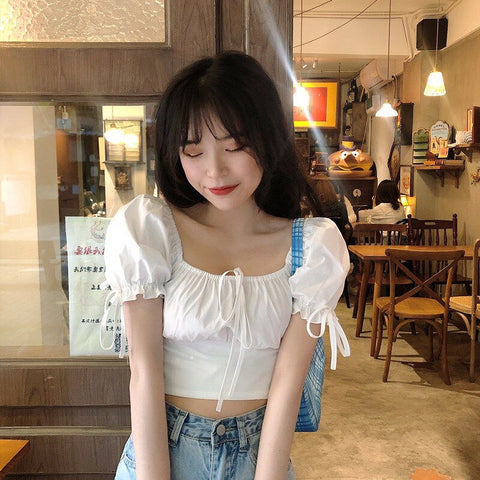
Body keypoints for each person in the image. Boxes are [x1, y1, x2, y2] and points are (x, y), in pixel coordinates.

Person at [102, 51, 350, 480]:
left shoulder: (311, 248)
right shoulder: (152, 231)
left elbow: (288, 385)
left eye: (234, 147)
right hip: (164, 451)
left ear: (268, 138)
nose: (214, 170)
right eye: (193, 151)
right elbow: (143, 372)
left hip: (257, 453)